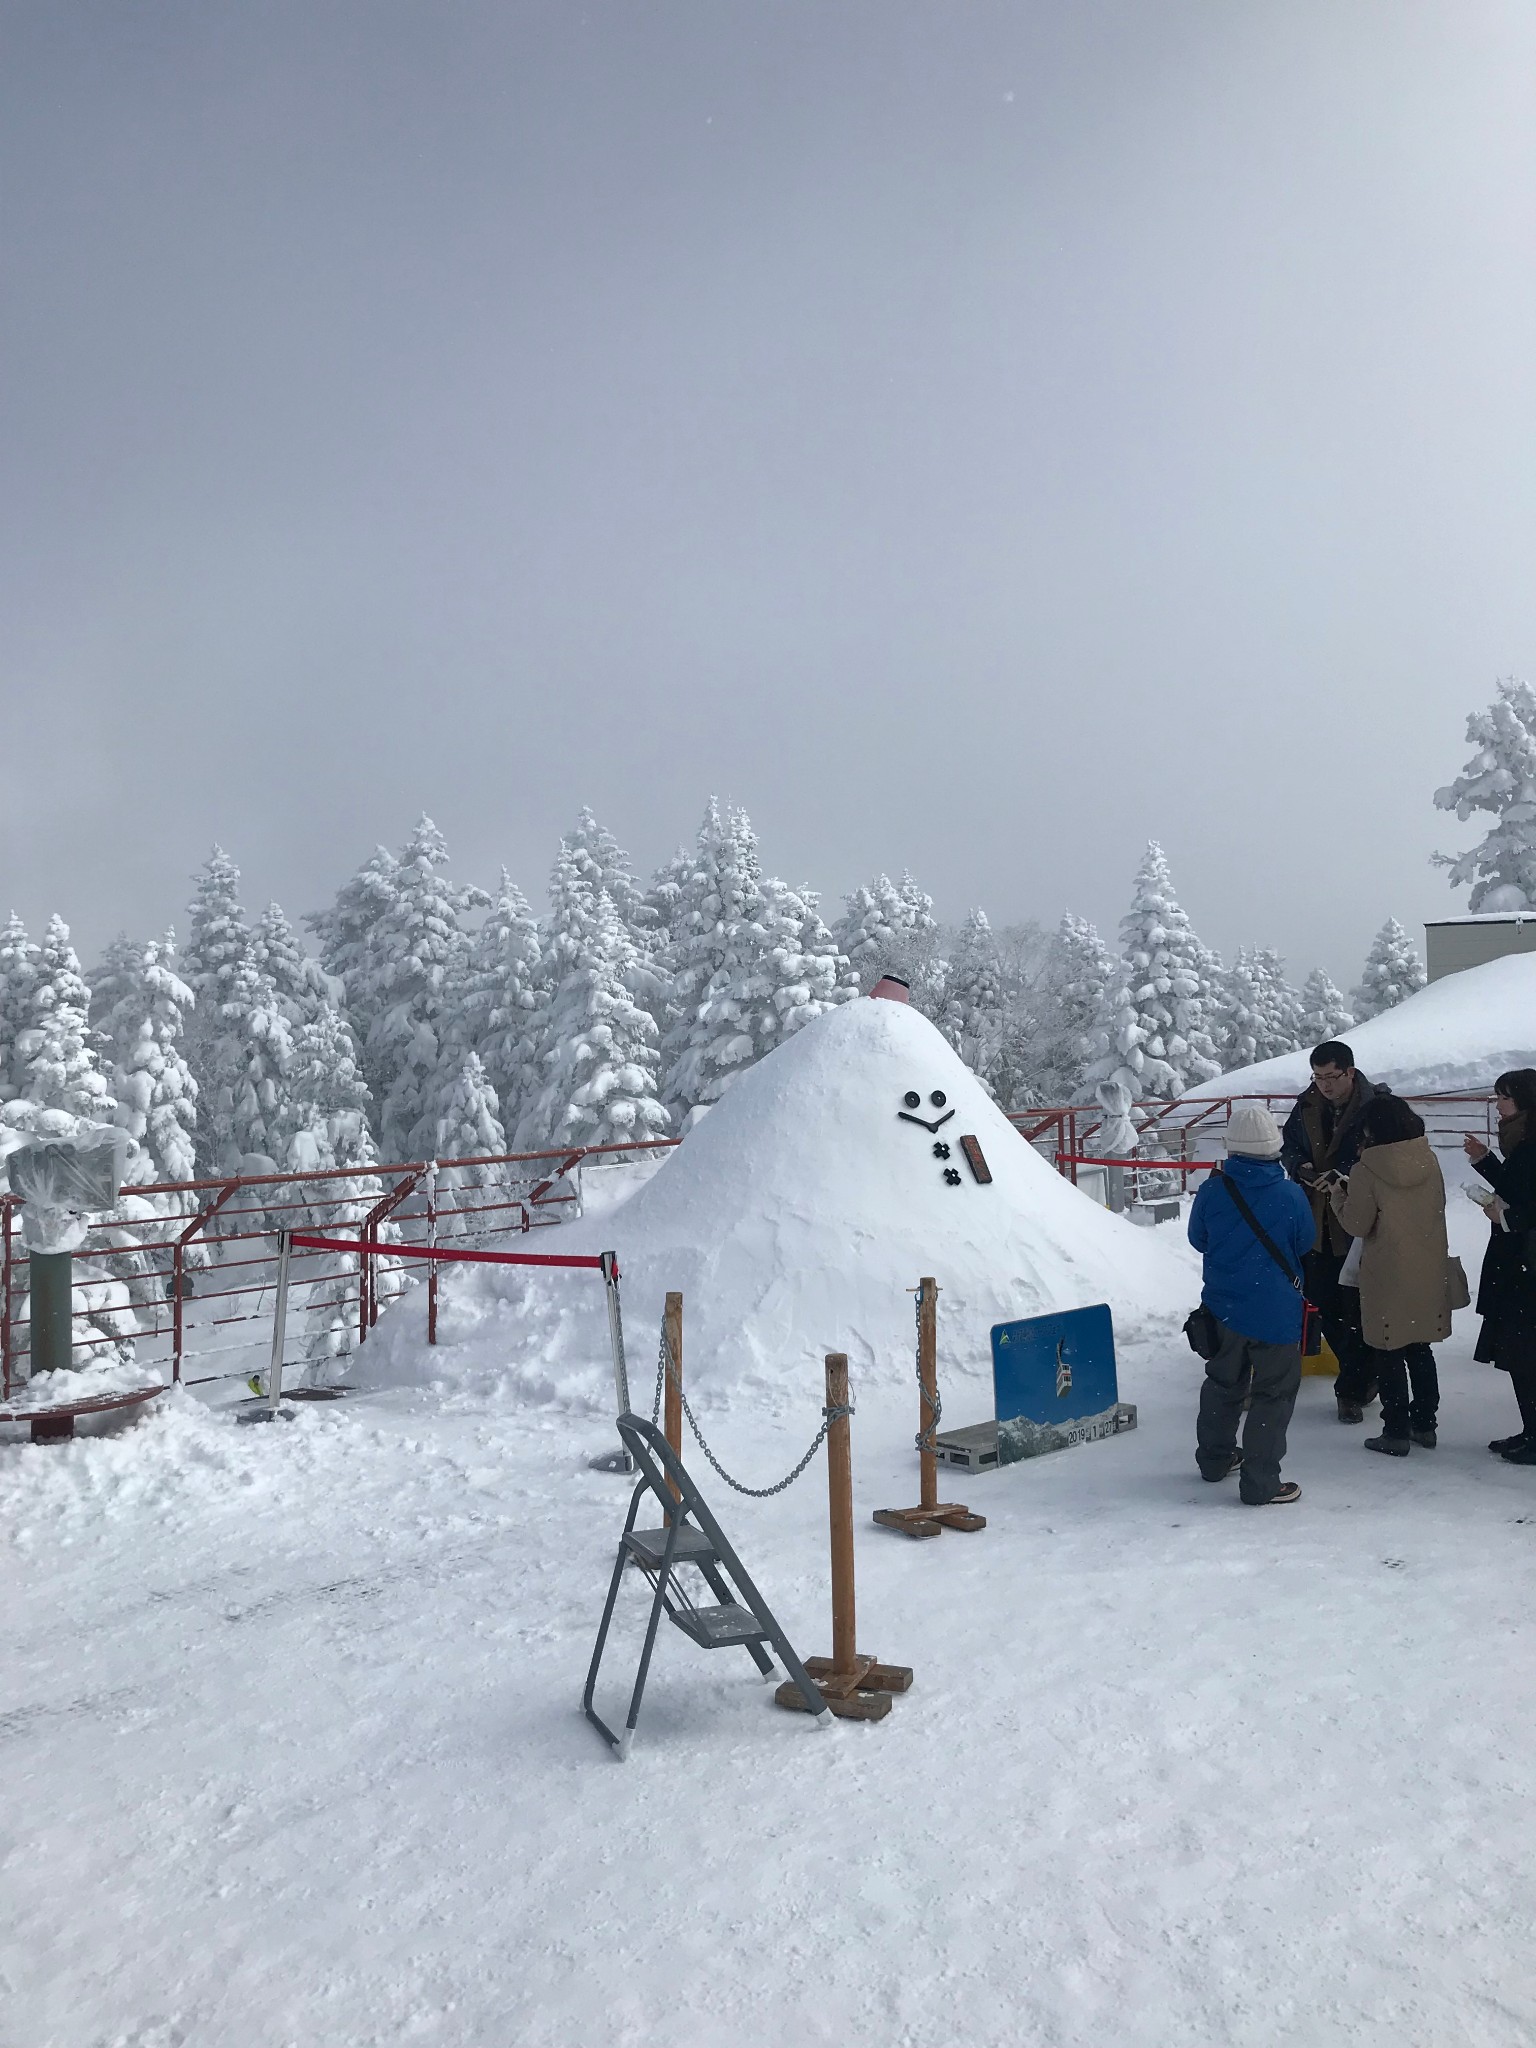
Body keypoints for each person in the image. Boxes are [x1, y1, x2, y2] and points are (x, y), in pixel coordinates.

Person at [1189, 1101, 1315, 1505]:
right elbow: (1305, 1243)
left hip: (1224, 1307)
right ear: (1274, 1146)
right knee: (1273, 1396)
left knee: (1223, 1384)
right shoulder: (1290, 1194)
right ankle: (1261, 1483)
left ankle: (1214, 1460)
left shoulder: (1212, 1189)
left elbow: (1199, 1240)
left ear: (1232, 1147)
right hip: (1276, 1311)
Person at [1328, 1096, 1451, 1456]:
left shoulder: (1368, 1168)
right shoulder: (1428, 1158)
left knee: (1387, 1349)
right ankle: (1425, 1424)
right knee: (1420, 1347)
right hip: (1427, 1264)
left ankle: (1395, 1430)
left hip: (1386, 1271)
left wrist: (1339, 1196)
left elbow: (1358, 1223)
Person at [1281, 1040, 1392, 1423]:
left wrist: (1346, 1173)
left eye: (1330, 1077)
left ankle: (1353, 1388)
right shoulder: (1306, 1106)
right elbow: (1288, 1147)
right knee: (1325, 1304)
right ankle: (1359, 1379)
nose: (1324, 1085)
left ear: (1349, 1072)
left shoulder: (1376, 1107)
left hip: (1360, 1223)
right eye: (1318, 1077)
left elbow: (1387, 1153)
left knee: (1360, 1311)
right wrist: (1300, 1168)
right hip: (1315, 1223)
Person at [1463, 1069, 1536, 1463]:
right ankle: (1530, 1432)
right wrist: (1486, 1161)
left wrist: (1508, 1218)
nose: (1497, 1104)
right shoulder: (1521, 1139)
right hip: (1517, 1264)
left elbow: (1525, 1199)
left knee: (1526, 1356)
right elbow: (1516, 1186)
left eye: (1503, 1097)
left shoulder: (1530, 1143)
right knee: (1521, 1357)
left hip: (1526, 1267)